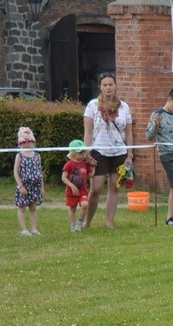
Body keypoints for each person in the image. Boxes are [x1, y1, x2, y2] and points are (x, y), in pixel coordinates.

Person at [83, 72, 133, 229]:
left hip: (119, 152)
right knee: (96, 188)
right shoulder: (92, 105)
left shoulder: (124, 107)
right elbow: (88, 132)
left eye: (111, 84)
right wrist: (87, 153)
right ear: (100, 87)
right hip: (99, 150)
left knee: (114, 187)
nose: (108, 87)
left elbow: (129, 132)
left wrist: (130, 155)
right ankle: (87, 222)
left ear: (115, 86)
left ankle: (109, 222)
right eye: (105, 85)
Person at [146, 87, 173, 226]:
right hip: (167, 154)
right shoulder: (157, 114)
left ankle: (169, 218)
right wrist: (155, 125)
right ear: (169, 99)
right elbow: (149, 136)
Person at [14, 126, 43, 236]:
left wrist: (41, 187)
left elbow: (40, 172)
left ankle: (34, 229)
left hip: (35, 186)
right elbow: (16, 172)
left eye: (29, 141)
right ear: (20, 143)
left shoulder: (37, 156)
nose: (27, 144)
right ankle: (24, 230)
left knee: (33, 208)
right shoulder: (19, 156)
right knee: (22, 208)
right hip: (24, 186)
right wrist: (21, 186)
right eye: (24, 142)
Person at [62, 139, 93, 232]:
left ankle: (79, 223)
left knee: (85, 204)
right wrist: (71, 186)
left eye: (84, 152)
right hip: (72, 191)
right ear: (73, 153)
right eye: (80, 152)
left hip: (82, 190)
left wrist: (93, 167)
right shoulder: (69, 164)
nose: (83, 154)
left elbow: (90, 175)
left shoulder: (84, 164)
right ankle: (72, 225)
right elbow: (64, 177)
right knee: (72, 208)